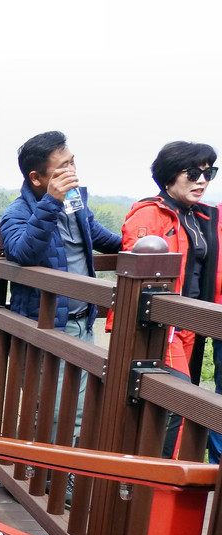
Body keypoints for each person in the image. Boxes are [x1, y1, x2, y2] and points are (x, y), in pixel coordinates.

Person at [0, 131, 121, 445]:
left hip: (82, 321)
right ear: (36, 178)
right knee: (53, 408)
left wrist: (138, 249)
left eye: (73, 162)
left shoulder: (75, 203)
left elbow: (97, 237)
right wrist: (51, 202)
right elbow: (24, 252)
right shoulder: (17, 215)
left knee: (81, 406)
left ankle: (58, 473)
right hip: (47, 327)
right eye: (63, 167)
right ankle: (52, 475)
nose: (73, 172)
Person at [121, 142, 222, 458]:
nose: (202, 181)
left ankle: (162, 476)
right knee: (180, 399)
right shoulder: (151, 213)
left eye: (209, 173)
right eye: (193, 173)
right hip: (162, 323)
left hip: (192, 323)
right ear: (168, 176)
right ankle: (158, 476)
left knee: (175, 400)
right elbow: (137, 262)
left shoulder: (204, 216)